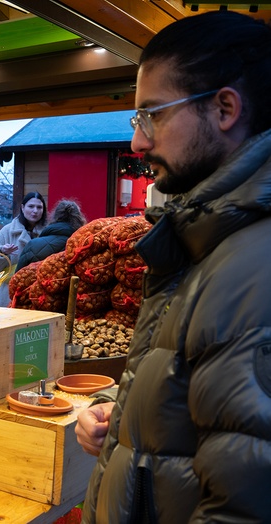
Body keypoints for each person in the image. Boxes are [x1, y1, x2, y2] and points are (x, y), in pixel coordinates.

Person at [76, 11, 271, 522]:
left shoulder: (256, 263)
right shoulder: (204, 239)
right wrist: (123, 413)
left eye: (153, 114)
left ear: (225, 107)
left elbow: (246, 502)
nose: (138, 143)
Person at [0, 191, 46, 305]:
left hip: (39, 293)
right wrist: (2, 252)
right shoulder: (6, 232)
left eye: (39, 207)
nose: (35, 211)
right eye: (31, 206)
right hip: (9, 293)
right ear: (22, 207)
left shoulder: (48, 232)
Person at [15, 199, 85, 271]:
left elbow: (17, 279)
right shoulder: (85, 246)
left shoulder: (32, 245)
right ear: (79, 219)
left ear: (54, 217)